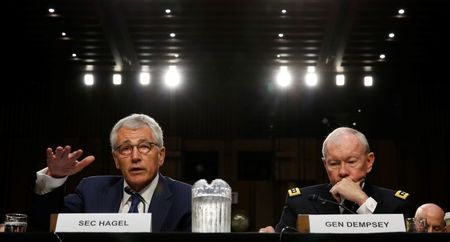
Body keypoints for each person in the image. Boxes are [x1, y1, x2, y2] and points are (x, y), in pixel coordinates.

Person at [30, 113, 191, 232]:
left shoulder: (186, 198)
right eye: (125, 149)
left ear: (161, 155)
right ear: (116, 159)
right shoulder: (91, 190)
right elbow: (46, 225)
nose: (135, 157)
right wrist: (55, 177)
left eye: (144, 146)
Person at [259, 127, 414, 232]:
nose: (343, 172)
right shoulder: (301, 202)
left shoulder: (395, 204)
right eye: (333, 163)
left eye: (352, 162)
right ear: (325, 164)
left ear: (369, 162)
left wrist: (363, 201)